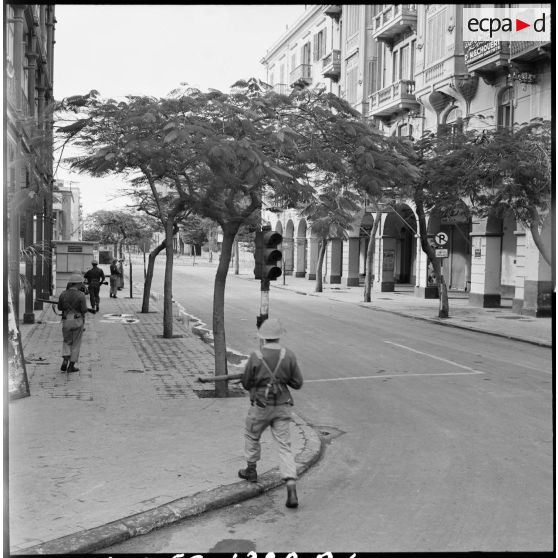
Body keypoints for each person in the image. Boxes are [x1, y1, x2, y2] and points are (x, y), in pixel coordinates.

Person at [238, 318, 303, 508]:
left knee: (251, 435)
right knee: (285, 446)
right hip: (282, 406)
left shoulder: (256, 356)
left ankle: (251, 470)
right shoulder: (288, 355)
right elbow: (297, 383)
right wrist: (283, 379)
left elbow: (246, 383)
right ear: (279, 336)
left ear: (263, 337)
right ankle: (291, 486)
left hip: (260, 406)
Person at [57, 273, 90, 373]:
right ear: (79, 284)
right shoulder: (81, 295)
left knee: (67, 341)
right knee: (76, 343)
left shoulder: (63, 294)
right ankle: (71, 366)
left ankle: (65, 360)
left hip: (66, 320)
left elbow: (59, 307)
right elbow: (84, 309)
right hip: (77, 320)